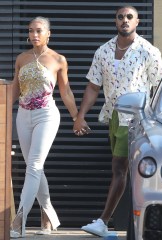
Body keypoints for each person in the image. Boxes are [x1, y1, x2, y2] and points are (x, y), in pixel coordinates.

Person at [73, 5, 162, 237]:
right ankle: (121, 225)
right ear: (115, 21)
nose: (125, 20)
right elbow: (93, 86)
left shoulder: (148, 51)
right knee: (121, 170)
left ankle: (104, 222)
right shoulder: (103, 51)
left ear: (137, 22)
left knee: (119, 168)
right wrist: (80, 116)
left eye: (129, 17)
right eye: (121, 17)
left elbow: (158, 87)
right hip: (114, 116)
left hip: (136, 119)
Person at [10, 16, 78, 238]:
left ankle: (19, 219)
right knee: (34, 168)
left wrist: (77, 116)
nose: (34, 35)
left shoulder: (58, 59)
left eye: (39, 31)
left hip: (46, 115)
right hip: (23, 115)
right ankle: (48, 217)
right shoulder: (21, 58)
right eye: (30, 31)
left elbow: (65, 91)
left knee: (34, 165)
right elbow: (14, 89)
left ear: (49, 33)